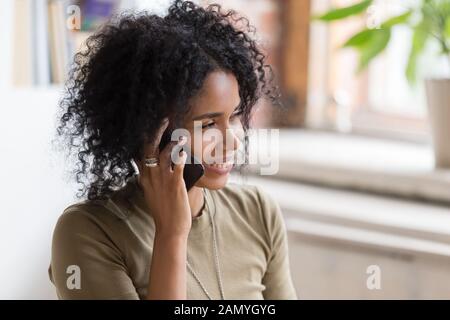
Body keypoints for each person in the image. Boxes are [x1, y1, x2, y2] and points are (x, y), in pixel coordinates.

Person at [49, 0, 297, 300]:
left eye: (234, 116)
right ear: (149, 129)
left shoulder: (258, 211)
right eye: (207, 125)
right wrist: (171, 235)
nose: (233, 141)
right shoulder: (87, 233)